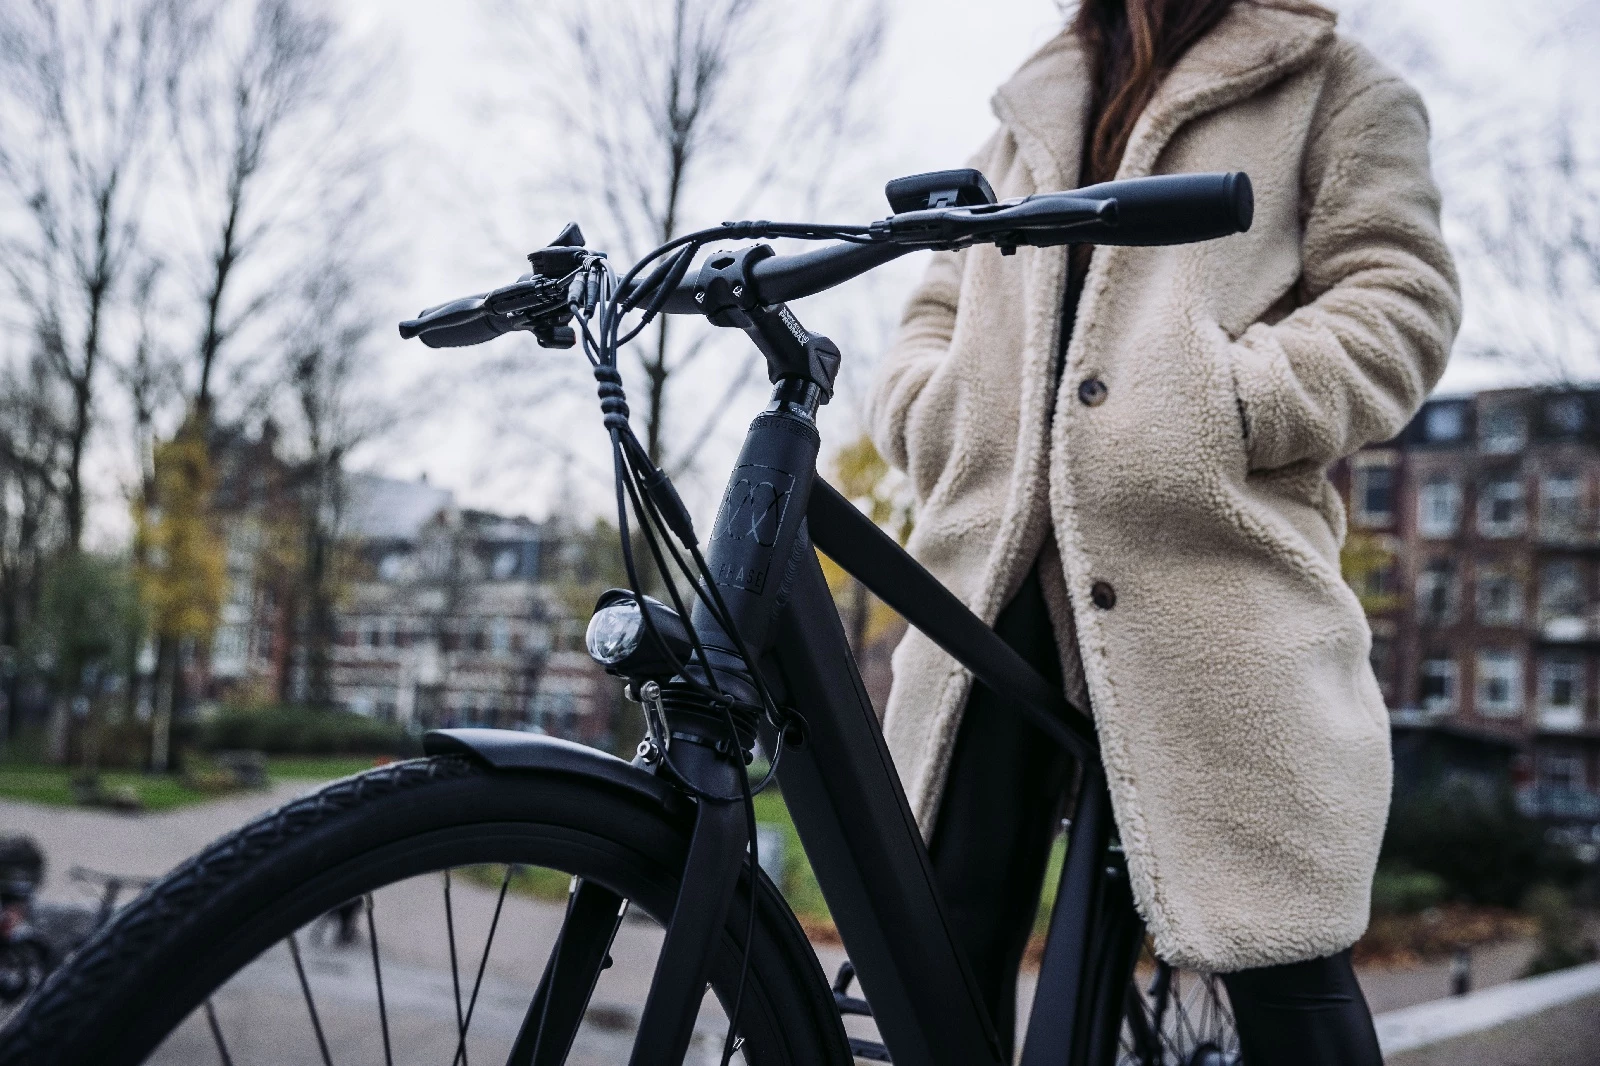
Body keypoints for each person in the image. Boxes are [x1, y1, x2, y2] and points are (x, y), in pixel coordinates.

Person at [867, 0, 1460, 1062]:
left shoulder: (1336, 86)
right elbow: (932, 308)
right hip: (987, 583)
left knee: (1279, 952)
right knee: (936, 938)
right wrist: (929, 406)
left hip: (1209, 575)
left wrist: (1230, 403)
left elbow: (1399, 299)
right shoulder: (1026, 113)